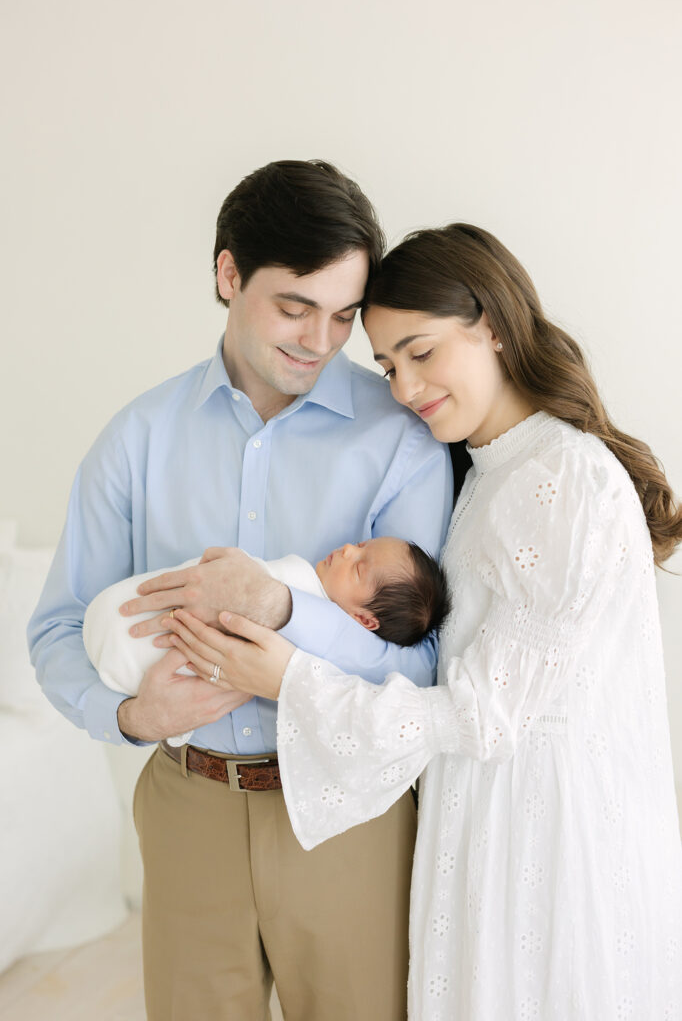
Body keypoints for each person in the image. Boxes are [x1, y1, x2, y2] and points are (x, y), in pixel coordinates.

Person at [168, 223, 682, 1020]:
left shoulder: (560, 477)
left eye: (422, 351)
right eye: (386, 364)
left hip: (542, 845)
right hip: (489, 823)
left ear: (494, 328)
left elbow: (483, 714)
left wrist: (290, 678)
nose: (404, 387)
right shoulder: (492, 473)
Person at [28, 161, 453, 1021]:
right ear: (228, 275)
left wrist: (287, 611)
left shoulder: (403, 442)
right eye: (294, 306)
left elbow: (433, 658)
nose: (319, 340)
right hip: (187, 804)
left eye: (343, 316)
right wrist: (130, 718)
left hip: (348, 812)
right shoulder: (137, 439)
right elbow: (57, 628)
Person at [83, 536, 450, 745]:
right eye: (360, 544)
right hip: (117, 643)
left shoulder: (322, 653)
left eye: (358, 567)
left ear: (364, 620)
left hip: (121, 647)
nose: (348, 549)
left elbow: (417, 682)